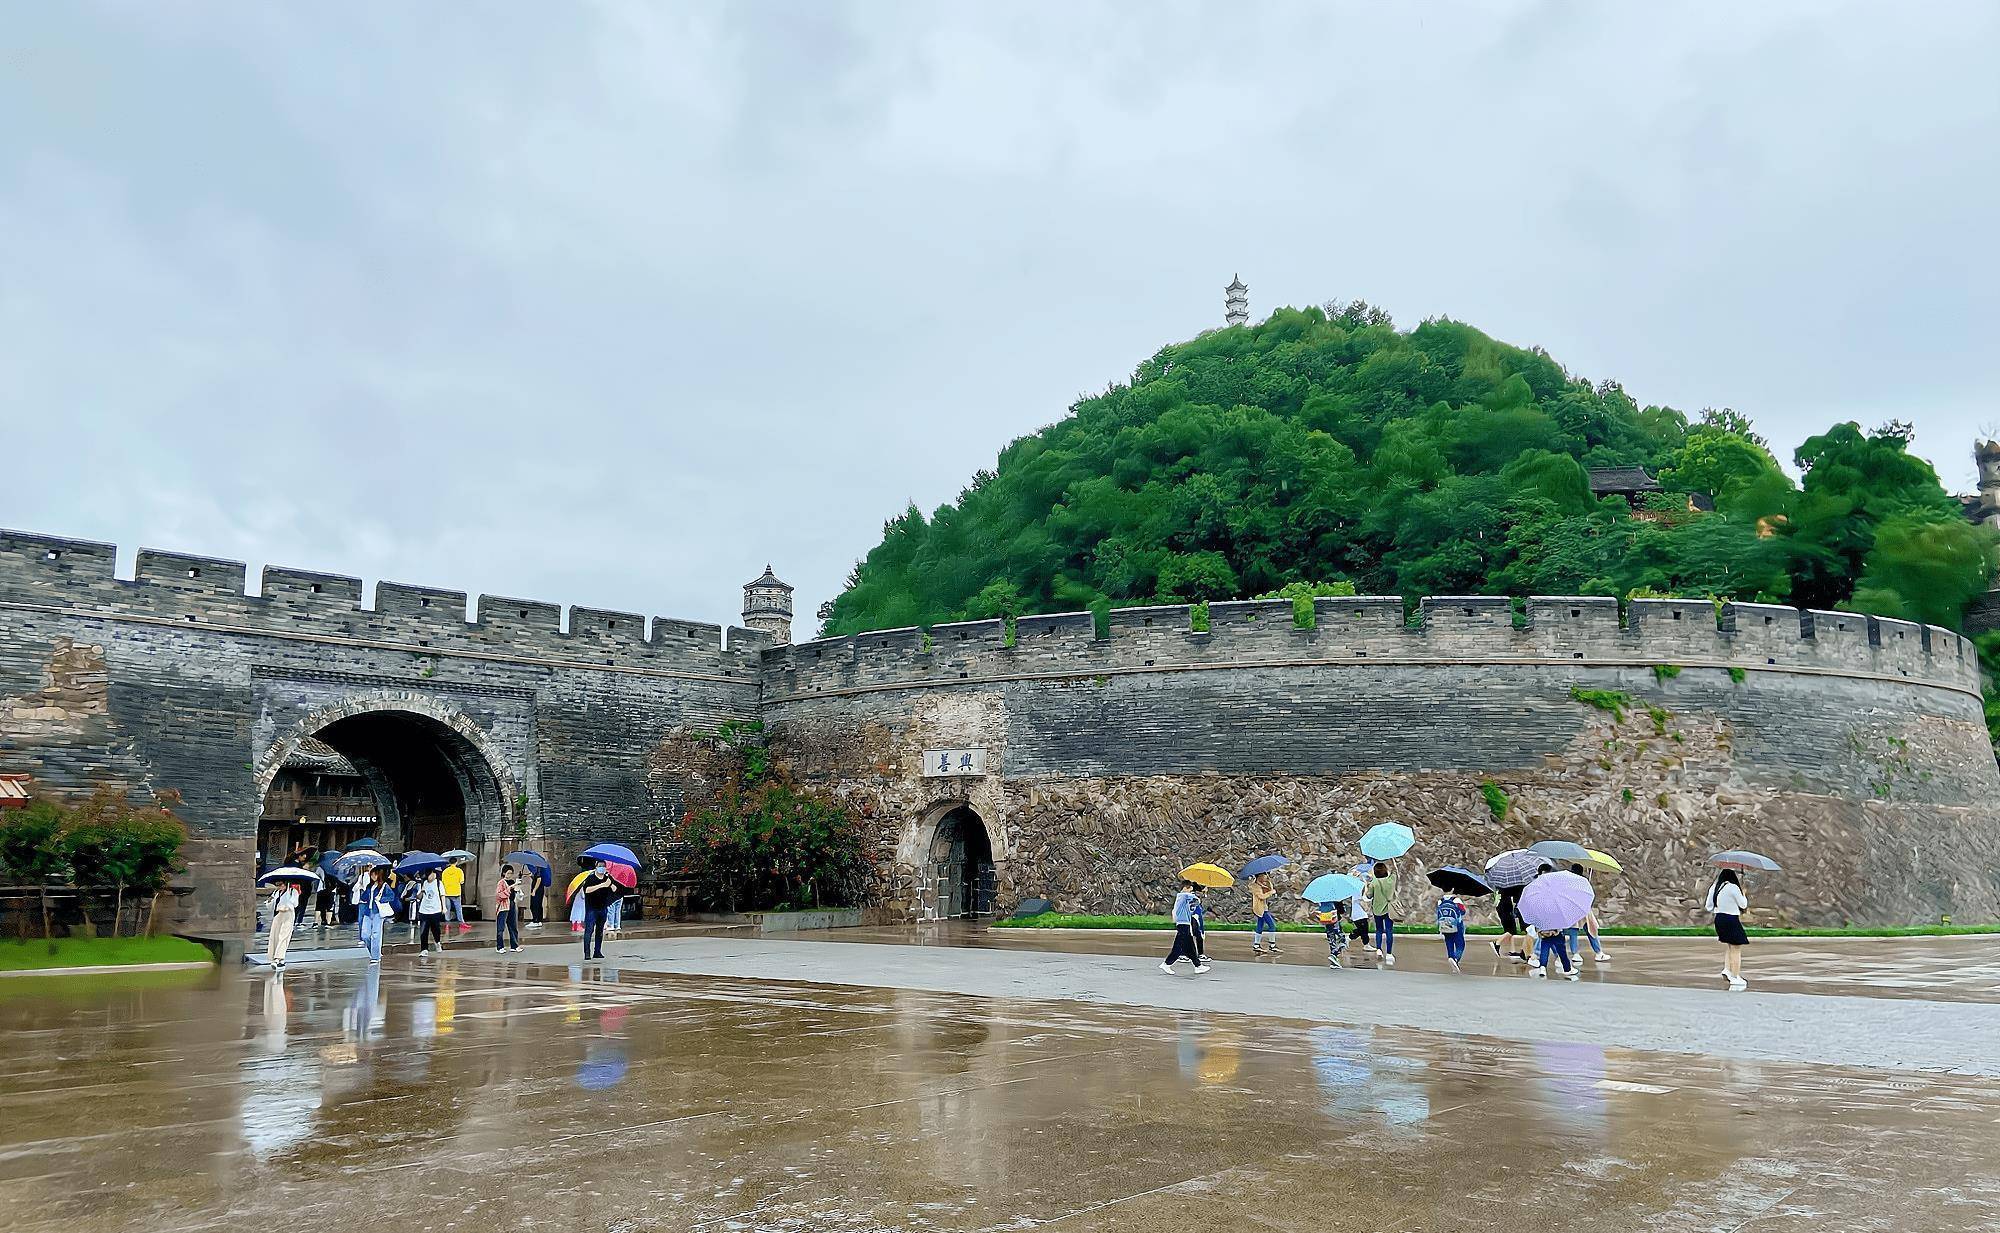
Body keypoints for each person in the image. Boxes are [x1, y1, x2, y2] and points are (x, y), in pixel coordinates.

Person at [1706, 869, 1750, 991]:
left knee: (1730, 946)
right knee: (1736, 948)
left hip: (1719, 918)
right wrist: (1744, 894)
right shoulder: (1733, 887)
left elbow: (1708, 906)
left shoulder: (1714, 887)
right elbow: (1743, 905)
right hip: (1731, 918)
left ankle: (1727, 969)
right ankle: (1736, 976)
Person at [1159, 880, 1209, 974]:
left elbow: (1194, 904)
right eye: (1190, 888)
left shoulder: (1185, 898)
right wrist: (1202, 893)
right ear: (1186, 888)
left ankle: (1197, 966)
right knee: (1180, 947)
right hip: (1183, 924)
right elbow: (1195, 899)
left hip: (1185, 924)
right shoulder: (1182, 896)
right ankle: (1167, 964)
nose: (1191, 890)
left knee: (1187, 946)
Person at [1564, 865, 1611, 964]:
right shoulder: (1583, 881)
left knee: (1574, 931)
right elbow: (1590, 896)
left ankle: (1575, 953)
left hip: (1572, 909)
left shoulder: (1567, 882)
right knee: (1591, 930)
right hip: (1584, 910)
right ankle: (1598, 952)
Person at [356, 867, 402, 965]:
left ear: (379, 875)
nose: (373, 876)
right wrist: (362, 889)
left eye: (375, 874)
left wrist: (381, 899)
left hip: (378, 913)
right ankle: (373, 953)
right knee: (365, 935)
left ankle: (375, 957)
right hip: (368, 912)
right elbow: (363, 897)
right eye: (371, 874)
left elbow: (391, 896)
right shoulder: (369, 886)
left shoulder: (384, 886)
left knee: (376, 935)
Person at [579, 862, 620, 960]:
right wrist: (602, 885)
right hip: (591, 909)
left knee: (600, 931)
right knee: (589, 930)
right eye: (599, 866)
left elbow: (615, 890)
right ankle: (587, 953)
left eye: (603, 866)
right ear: (596, 867)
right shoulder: (591, 878)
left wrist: (610, 885)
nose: (601, 868)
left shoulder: (607, 878)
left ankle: (597, 951)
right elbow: (587, 890)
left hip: (603, 908)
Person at [1365, 862, 1397, 967]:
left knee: (1379, 930)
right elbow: (1395, 873)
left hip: (1377, 910)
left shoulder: (1374, 883)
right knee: (1389, 930)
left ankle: (1379, 949)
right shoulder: (1391, 880)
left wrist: (1367, 885)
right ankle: (1389, 953)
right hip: (1389, 909)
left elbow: (1369, 896)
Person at [266, 880, 301, 971]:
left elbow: (295, 904)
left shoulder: (293, 891)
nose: (279, 887)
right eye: (277, 885)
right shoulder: (276, 892)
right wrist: (270, 901)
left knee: (284, 936)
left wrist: (289, 901)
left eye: (280, 885)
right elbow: (271, 905)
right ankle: (275, 957)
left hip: (288, 914)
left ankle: (278, 958)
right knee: (275, 935)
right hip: (278, 914)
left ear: (285, 884)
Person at [1491, 885, 1530, 964]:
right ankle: (1497, 942)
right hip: (1507, 910)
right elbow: (1515, 898)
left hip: (1503, 909)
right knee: (1512, 931)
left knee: (1510, 930)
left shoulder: (1500, 888)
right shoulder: (1508, 889)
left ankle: (1513, 950)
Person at [416, 869, 447, 955]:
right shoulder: (424, 883)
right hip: (424, 910)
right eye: (427, 875)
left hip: (435, 910)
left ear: (434, 874)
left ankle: (437, 942)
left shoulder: (439, 883)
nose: (428, 876)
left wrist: (444, 907)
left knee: (435, 929)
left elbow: (442, 895)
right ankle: (424, 949)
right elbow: (418, 897)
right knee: (423, 931)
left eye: (430, 874)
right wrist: (421, 891)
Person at [1435, 891, 1468, 972]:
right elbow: (1463, 911)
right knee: (1460, 944)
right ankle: (1456, 959)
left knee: (1449, 942)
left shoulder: (1440, 901)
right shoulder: (1456, 900)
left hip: (1444, 926)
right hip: (1457, 925)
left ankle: (1451, 957)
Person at [493, 864, 522, 953]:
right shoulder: (501, 883)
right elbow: (499, 895)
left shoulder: (512, 881)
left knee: (513, 925)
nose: (509, 875)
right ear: (504, 873)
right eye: (508, 873)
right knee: (501, 927)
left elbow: (516, 893)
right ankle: (500, 946)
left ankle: (514, 945)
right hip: (503, 906)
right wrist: (510, 888)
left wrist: (517, 888)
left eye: (511, 873)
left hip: (512, 904)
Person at [1248, 872, 1279, 955]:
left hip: (1264, 908)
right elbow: (1261, 896)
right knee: (1272, 925)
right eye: (1264, 875)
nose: (1265, 877)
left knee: (1260, 926)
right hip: (1261, 909)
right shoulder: (1255, 886)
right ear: (1260, 876)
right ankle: (1272, 945)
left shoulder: (1262, 885)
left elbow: (1269, 889)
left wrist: (1269, 881)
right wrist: (1270, 893)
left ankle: (1256, 945)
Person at [1317, 903, 1347, 969]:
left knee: (1331, 939)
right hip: (1334, 919)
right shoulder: (1334, 897)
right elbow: (1341, 910)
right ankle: (1334, 954)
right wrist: (1343, 907)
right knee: (1342, 939)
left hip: (1325, 918)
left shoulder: (1322, 899)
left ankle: (1334, 962)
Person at [442, 858, 469, 932]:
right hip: (456, 892)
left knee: (447, 909)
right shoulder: (459, 871)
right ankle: (461, 923)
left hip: (447, 892)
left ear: (449, 862)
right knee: (458, 909)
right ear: (456, 862)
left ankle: (447, 925)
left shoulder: (445, 871)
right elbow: (462, 882)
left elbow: (443, 882)